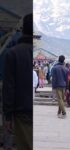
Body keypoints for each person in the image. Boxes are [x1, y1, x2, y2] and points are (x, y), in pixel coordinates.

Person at [2, 14, 33, 150]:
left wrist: (8, 116)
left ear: (22, 29)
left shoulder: (12, 53)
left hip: (22, 113)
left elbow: (9, 87)